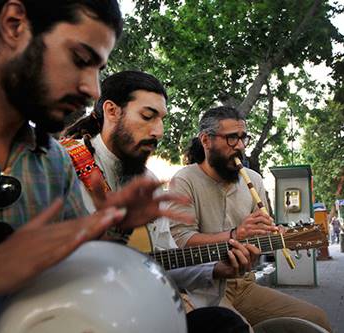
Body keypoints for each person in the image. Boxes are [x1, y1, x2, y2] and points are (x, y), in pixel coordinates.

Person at [0, 2, 189, 331]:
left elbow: (76, 278)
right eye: (80, 60)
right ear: (14, 26)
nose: (92, 89)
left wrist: (115, 226)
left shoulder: (55, 162)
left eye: (98, 69)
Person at [63, 70, 250, 333]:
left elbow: (164, 262)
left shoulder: (148, 181)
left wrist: (217, 268)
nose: (159, 131)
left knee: (225, 324)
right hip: (79, 317)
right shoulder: (64, 167)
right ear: (111, 111)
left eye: (161, 120)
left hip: (137, 315)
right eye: (148, 117)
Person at [168, 106, 332, 332]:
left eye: (243, 137)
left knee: (316, 319)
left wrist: (276, 236)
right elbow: (180, 241)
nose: (241, 146)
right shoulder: (184, 179)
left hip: (243, 284)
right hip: (201, 287)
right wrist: (234, 235)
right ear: (206, 140)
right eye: (232, 138)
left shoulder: (254, 179)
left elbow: (260, 233)